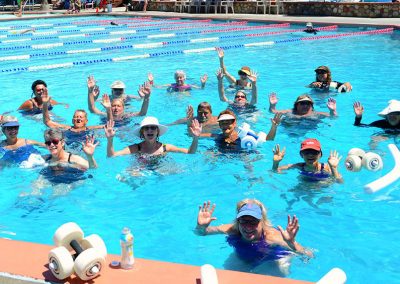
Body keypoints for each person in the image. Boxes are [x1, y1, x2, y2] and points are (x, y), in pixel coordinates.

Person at [196, 199, 312, 270]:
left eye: (253, 221)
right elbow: (201, 233)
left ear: (263, 222)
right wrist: (201, 226)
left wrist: (292, 244)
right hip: (245, 257)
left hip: (274, 260)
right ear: (238, 221)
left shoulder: (272, 237)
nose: (248, 226)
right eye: (244, 221)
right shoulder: (233, 229)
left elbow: (308, 255)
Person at [104, 116, 202, 158]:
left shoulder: (165, 147)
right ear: (142, 132)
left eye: (153, 128)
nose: (150, 130)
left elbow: (190, 152)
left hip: (161, 167)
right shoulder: (135, 148)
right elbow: (112, 155)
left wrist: (195, 138)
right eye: (146, 128)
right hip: (141, 168)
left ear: (157, 131)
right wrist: (110, 140)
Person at [201, 110, 281, 151]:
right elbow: (196, 135)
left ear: (234, 123)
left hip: (242, 157)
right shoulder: (217, 136)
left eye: (228, 122)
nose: (225, 125)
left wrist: (274, 127)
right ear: (219, 125)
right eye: (222, 123)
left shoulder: (246, 135)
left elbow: (268, 139)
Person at [272, 138, 343, 183]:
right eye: (306, 152)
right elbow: (275, 171)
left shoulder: (327, 167)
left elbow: (339, 182)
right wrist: (275, 163)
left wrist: (334, 168)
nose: (310, 155)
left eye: (314, 152)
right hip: (304, 188)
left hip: (321, 190)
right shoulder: (298, 166)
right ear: (301, 155)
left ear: (320, 155)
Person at [269, 93, 337, 118]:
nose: (305, 106)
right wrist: (272, 106)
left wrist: (333, 111)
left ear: (311, 106)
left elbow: (333, 117)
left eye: (308, 103)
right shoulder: (290, 112)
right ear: (296, 105)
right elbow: (273, 112)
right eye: (302, 103)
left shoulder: (316, 114)